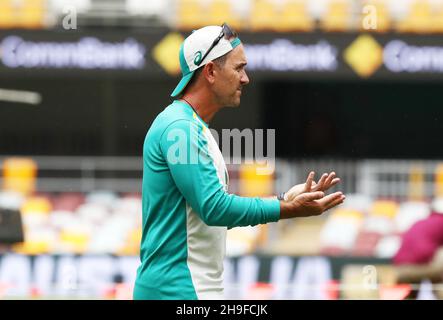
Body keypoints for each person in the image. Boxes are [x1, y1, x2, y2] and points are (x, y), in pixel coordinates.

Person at [133, 23, 345, 300]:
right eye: (238, 68)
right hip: (180, 290)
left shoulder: (187, 126)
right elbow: (214, 209)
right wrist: (285, 208)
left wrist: (282, 198)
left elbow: (205, 218)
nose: (245, 79)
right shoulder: (181, 129)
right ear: (210, 71)